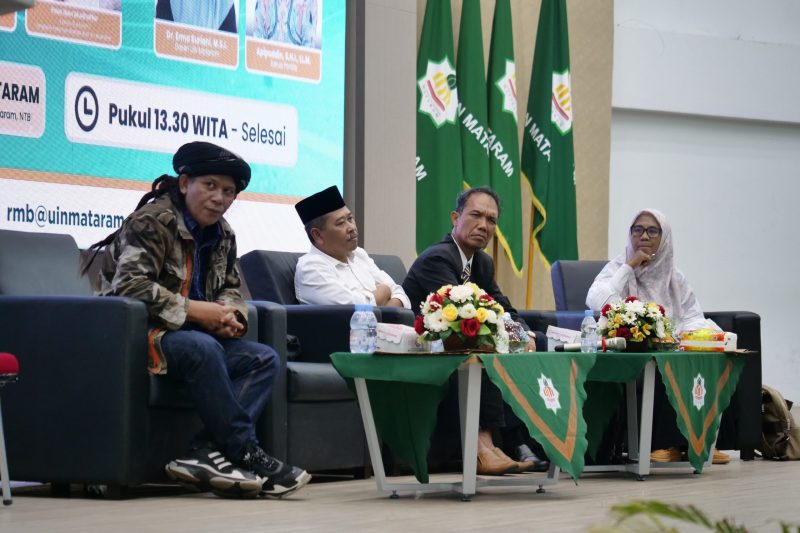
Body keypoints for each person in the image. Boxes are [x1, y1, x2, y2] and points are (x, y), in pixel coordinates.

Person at [83, 141, 312, 498]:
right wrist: (197, 311)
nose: (219, 198)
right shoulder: (152, 222)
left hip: (192, 337)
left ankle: (205, 452)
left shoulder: (224, 233)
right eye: (210, 186)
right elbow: (130, 286)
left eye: (228, 192)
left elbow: (231, 287)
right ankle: (245, 452)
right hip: (138, 335)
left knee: (263, 358)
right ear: (185, 182)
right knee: (203, 347)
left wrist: (231, 315)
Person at [403, 186, 549, 475]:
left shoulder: (482, 262)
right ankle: (485, 447)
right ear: (455, 218)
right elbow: (457, 313)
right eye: (476, 215)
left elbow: (502, 307)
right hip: (426, 349)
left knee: (538, 340)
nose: (484, 225)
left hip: (458, 343)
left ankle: (524, 441)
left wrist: (525, 335)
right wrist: (513, 335)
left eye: (491, 220)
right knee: (486, 344)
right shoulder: (437, 258)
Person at [586, 208, 730, 465]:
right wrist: (629, 267)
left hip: (668, 348)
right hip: (626, 354)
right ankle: (667, 444)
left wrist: (699, 336)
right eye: (638, 229)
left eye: (652, 231)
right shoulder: (617, 267)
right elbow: (596, 301)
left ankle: (699, 442)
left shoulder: (675, 277)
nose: (644, 236)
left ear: (664, 238)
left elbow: (692, 315)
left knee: (705, 358)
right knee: (664, 363)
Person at [294, 185, 410, 309]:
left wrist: (383, 305)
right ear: (317, 235)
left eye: (350, 219)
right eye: (340, 223)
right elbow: (355, 310)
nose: (352, 227)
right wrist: (385, 291)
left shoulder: (359, 254)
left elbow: (401, 294)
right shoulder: (311, 268)